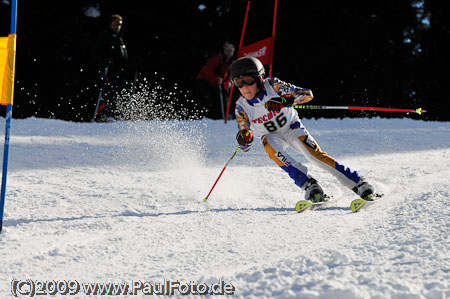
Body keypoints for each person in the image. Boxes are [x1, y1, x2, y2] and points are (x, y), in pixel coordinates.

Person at [231, 56, 378, 203]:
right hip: (271, 137)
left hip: (291, 128)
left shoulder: (273, 86)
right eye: (239, 83)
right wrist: (244, 138)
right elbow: (244, 141)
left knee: (314, 156)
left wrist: (284, 100)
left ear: (259, 78)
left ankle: (359, 183)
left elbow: (307, 95)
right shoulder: (241, 107)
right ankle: (310, 186)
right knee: (270, 147)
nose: (245, 87)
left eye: (248, 80)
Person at [94, 14, 129, 121]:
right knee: (109, 92)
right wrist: (105, 61)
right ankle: (105, 114)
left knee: (119, 92)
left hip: (120, 70)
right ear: (110, 24)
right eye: (115, 24)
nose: (117, 26)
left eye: (119, 24)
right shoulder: (105, 36)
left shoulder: (120, 37)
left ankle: (116, 113)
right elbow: (98, 52)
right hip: (110, 70)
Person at [195, 42, 235, 119]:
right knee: (209, 100)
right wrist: (217, 80)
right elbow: (207, 72)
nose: (229, 52)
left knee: (221, 100)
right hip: (205, 82)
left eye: (231, 50)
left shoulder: (230, 62)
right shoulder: (215, 60)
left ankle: (220, 117)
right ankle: (205, 117)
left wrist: (227, 83)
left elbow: (227, 76)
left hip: (216, 85)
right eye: (227, 50)